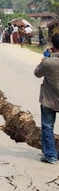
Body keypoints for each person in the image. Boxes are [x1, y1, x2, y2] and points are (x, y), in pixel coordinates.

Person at [34, 33, 59, 164]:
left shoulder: (49, 62)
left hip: (49, 100)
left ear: (53, 45)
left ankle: (50, 155)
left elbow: (37, 73)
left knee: (48, 127)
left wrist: (45, 58)